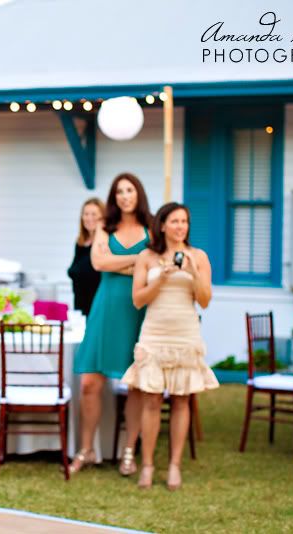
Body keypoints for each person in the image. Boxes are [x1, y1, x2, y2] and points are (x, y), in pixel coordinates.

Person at [122, 202, 218, 490]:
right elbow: (138, 299)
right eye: (174, 221)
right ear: (162, 225)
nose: (180, 226)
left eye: (184, 221)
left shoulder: (198, 256)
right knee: (151, 398)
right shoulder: (147, 257)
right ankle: (148, 464)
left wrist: (192, 273)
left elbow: (205, 300)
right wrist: (161, 278)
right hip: (155, 332)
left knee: (181, 399)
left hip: (185, 332)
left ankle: (174, 465)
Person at [70, 173, 152, 476]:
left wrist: (125, 261)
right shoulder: (106, 226)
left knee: (135, 384)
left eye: (130, 190)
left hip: (137, 310)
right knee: (90, 382)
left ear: (138, 193)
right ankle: (87, 449)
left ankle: (129, 452)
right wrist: (138, 261)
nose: (124, 196)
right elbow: (99, 263)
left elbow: (152, 266)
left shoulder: (151, 228)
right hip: (104, 310)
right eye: (119, 191)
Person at [67, 198, 105, 316]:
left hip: (98, 307)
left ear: (102, 217)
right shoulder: (80, 243)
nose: (89, 218)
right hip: (80, 307)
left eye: (94, 214)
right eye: (86, 214)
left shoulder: (104, 244)